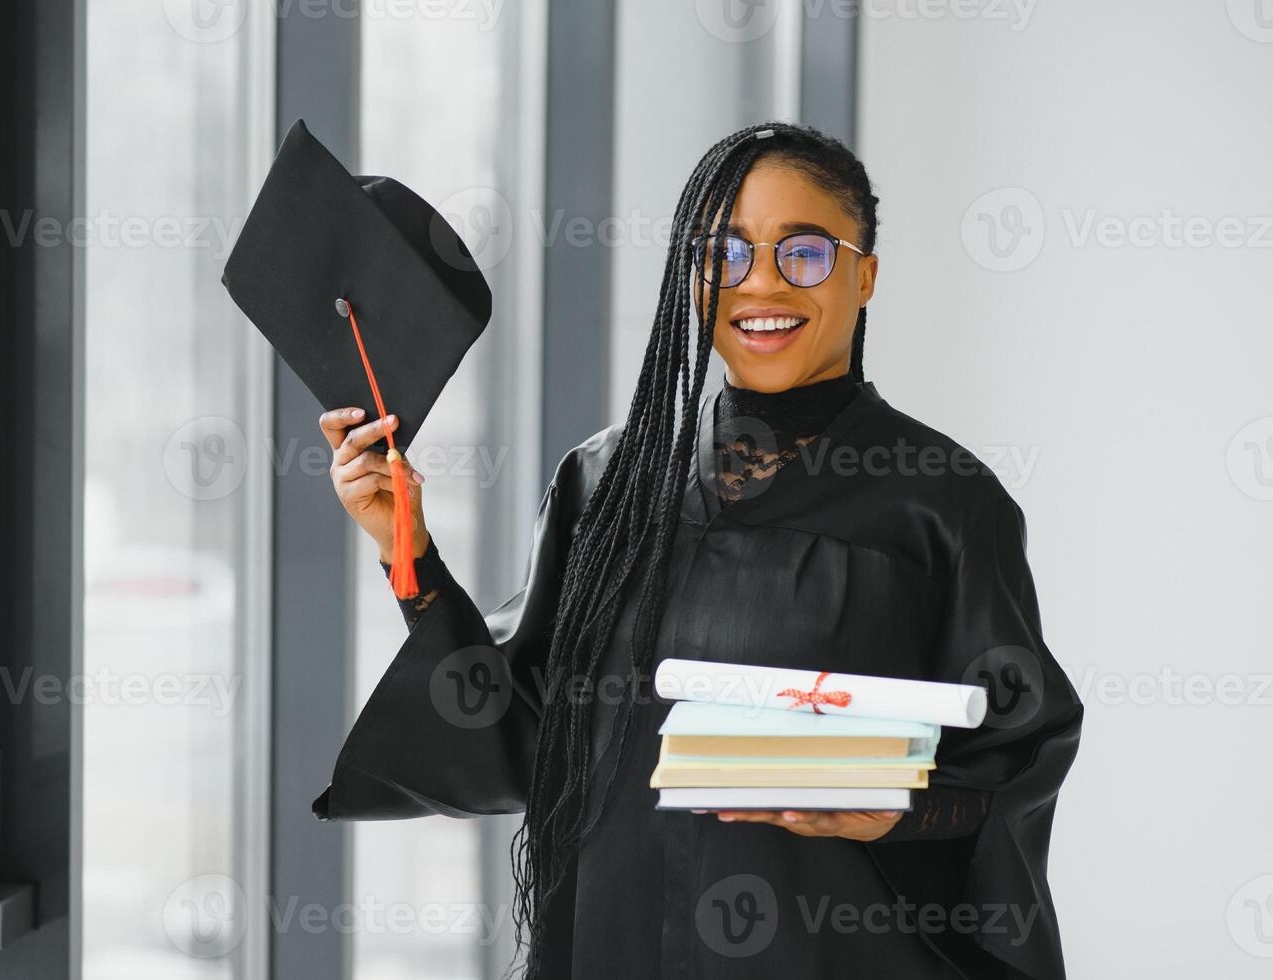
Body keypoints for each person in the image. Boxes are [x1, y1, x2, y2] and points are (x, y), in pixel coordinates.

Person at [314, 122, 1082, 980]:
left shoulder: (940, 501)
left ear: (864, 274)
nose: (759, 282)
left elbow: (1015, 754)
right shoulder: (607, 484)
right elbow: (525, 736)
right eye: (725, 251)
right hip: (617, 944)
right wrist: (407, 553)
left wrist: (899, 809)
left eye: (805, 253)